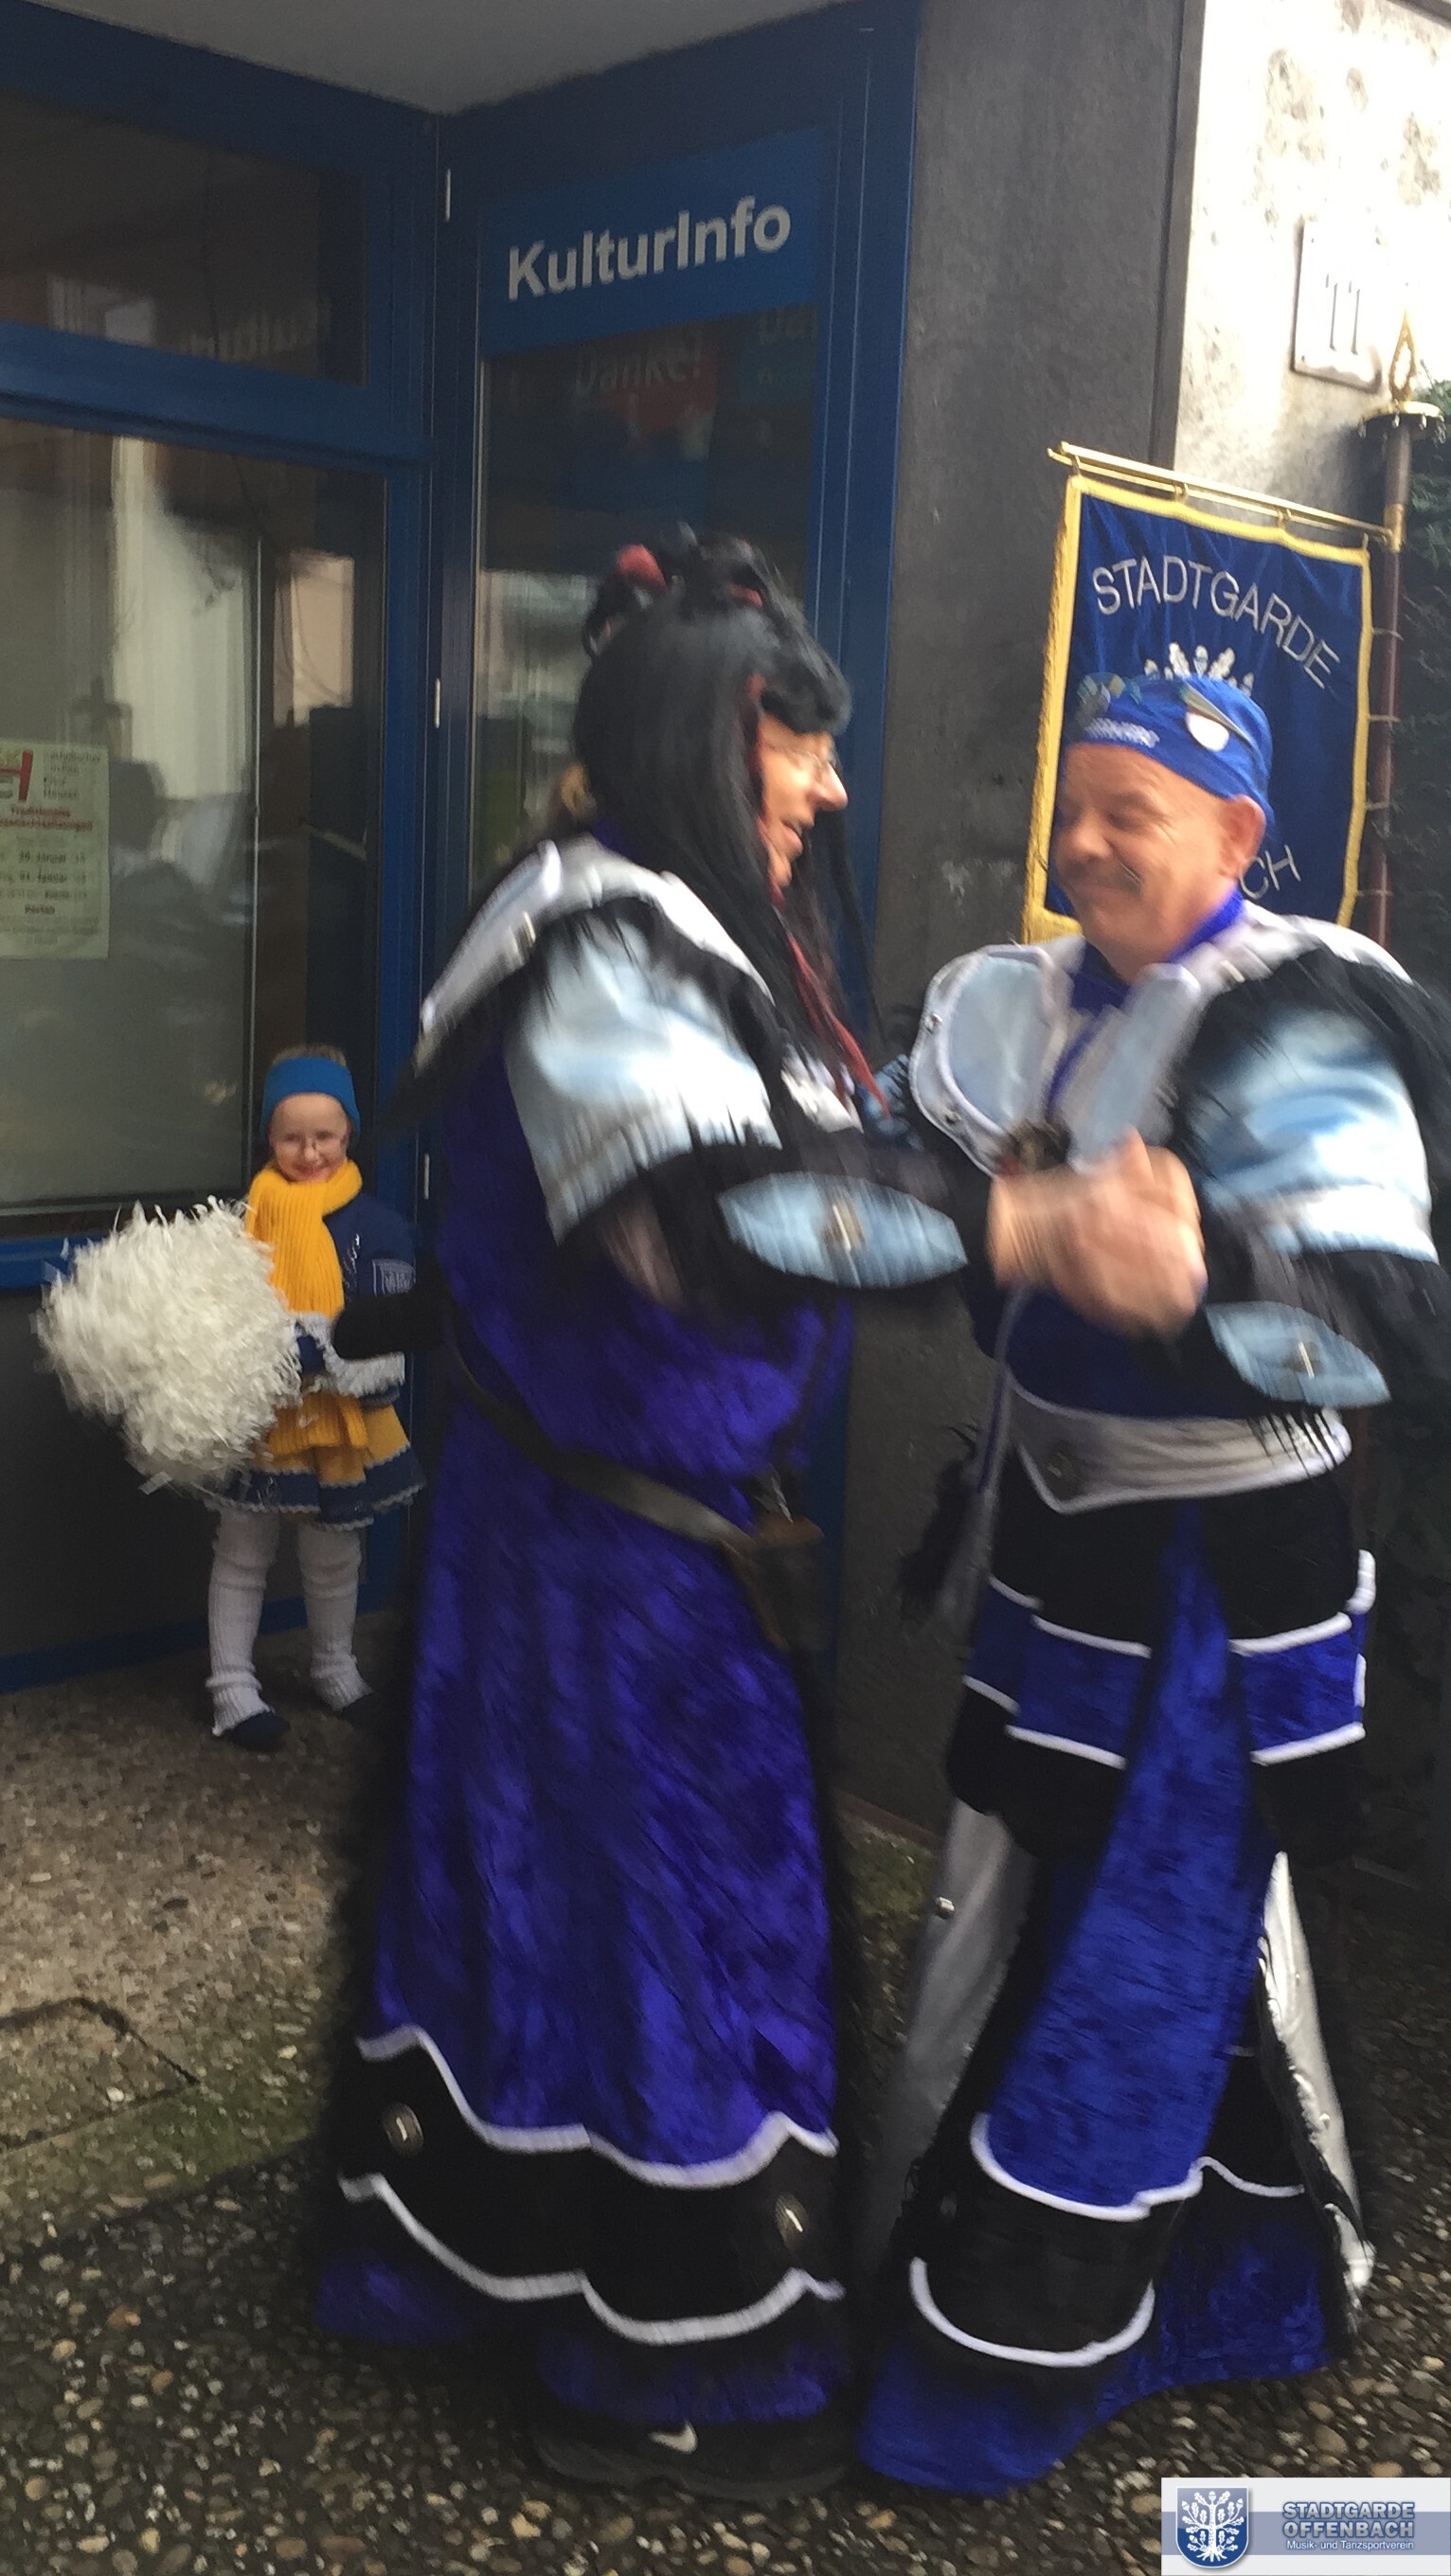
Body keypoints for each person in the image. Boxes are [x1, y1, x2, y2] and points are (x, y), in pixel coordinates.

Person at [312, 541, 1205, 2503]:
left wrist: (995, 1163)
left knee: (584, 1934)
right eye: (796, 742)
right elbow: (726, 1220)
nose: (828, 784)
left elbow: (825, 1151)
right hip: (601, 1578)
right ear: (696, 743)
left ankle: (533, 2289)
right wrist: (1026, 1224)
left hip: (637, 1556)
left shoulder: (696, 930)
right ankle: (658, 2372)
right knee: (659, 1944)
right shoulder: (599, 940)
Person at [857, 671, 1451, 2495]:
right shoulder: (1007, 1001)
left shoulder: (1296, 1018)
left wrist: (1204, 1278)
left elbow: (1385, 1321)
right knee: (1016, 1881)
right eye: (1076, 803)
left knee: (1149, 1925)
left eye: (1133, 811)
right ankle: (1222, 2269)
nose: (1086, 841)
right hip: (1055, 1527)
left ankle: (1003, 2372)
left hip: (1216, 1570)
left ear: (1237, 836)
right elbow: (887, 1197)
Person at [206, 1045, 422, 1750]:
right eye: (291, 1138)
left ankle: (335, 1669)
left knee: (334, 1555)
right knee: (243, 1551)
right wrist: (256, 1352)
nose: (309, 1153)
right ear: (268, 1138)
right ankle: (231, 1688)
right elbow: (216, 1317)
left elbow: (390, 1339)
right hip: (262, 1418)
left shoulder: (381, 1227)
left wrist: (326, 1352)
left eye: (324, 1135)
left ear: (348, 1131)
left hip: (343, 1422)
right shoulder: (243, 1223)